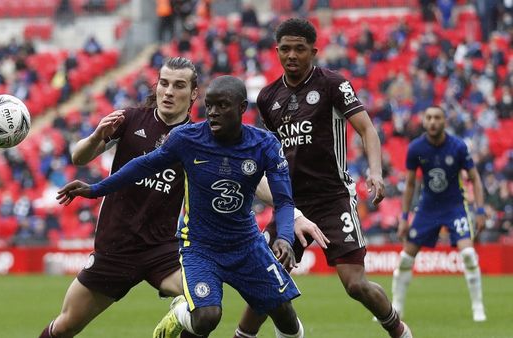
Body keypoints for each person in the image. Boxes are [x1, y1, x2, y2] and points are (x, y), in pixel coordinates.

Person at [56, 75, 307, 338]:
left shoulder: (265, 144)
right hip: (200, 247)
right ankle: (179, 315)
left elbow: (284, 199)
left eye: (222, 106)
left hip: (246, 245)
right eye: (209, 106)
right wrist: (96, 190)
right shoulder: (187, 138)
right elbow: (142, 165)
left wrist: (286, 238)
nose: (213, 113)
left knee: (285, 315)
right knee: (207, 316)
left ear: (242, 108)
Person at [234, 18, 413, 338]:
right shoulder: (267, 97)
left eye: (299, 49)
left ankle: (398, 330)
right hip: (291, 203)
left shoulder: (332, 84)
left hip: (333, 199)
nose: (291, 55)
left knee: (355, 284)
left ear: (313, 52)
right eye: (285, 49)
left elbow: (367, 129)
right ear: (276, 51)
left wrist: (375, 172)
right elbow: (270, 151)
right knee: (266, 280)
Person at [38, 56, 199, 338]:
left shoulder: (199, 137)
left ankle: (174, 323)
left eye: (179, 85)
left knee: (204, 303)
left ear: (194, 93)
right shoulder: (130, 119)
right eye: (164, 83)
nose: (169, 91)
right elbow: (78, 157)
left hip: (161, 249)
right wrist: (96, 136)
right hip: (115, 248)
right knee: (64, 326)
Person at [392, 106, 487, 322]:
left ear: (444, 121)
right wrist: (404, 218)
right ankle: (396, 307)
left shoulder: (458, 146)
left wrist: (479, 210)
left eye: (437, 117)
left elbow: (475, 178)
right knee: (406, 259)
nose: (433, 121)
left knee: (469, 255)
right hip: (428, 208)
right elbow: (409, 185)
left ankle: (478, 307)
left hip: (455, 207)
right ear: (424, 121)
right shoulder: (416, 148)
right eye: (429, 117)